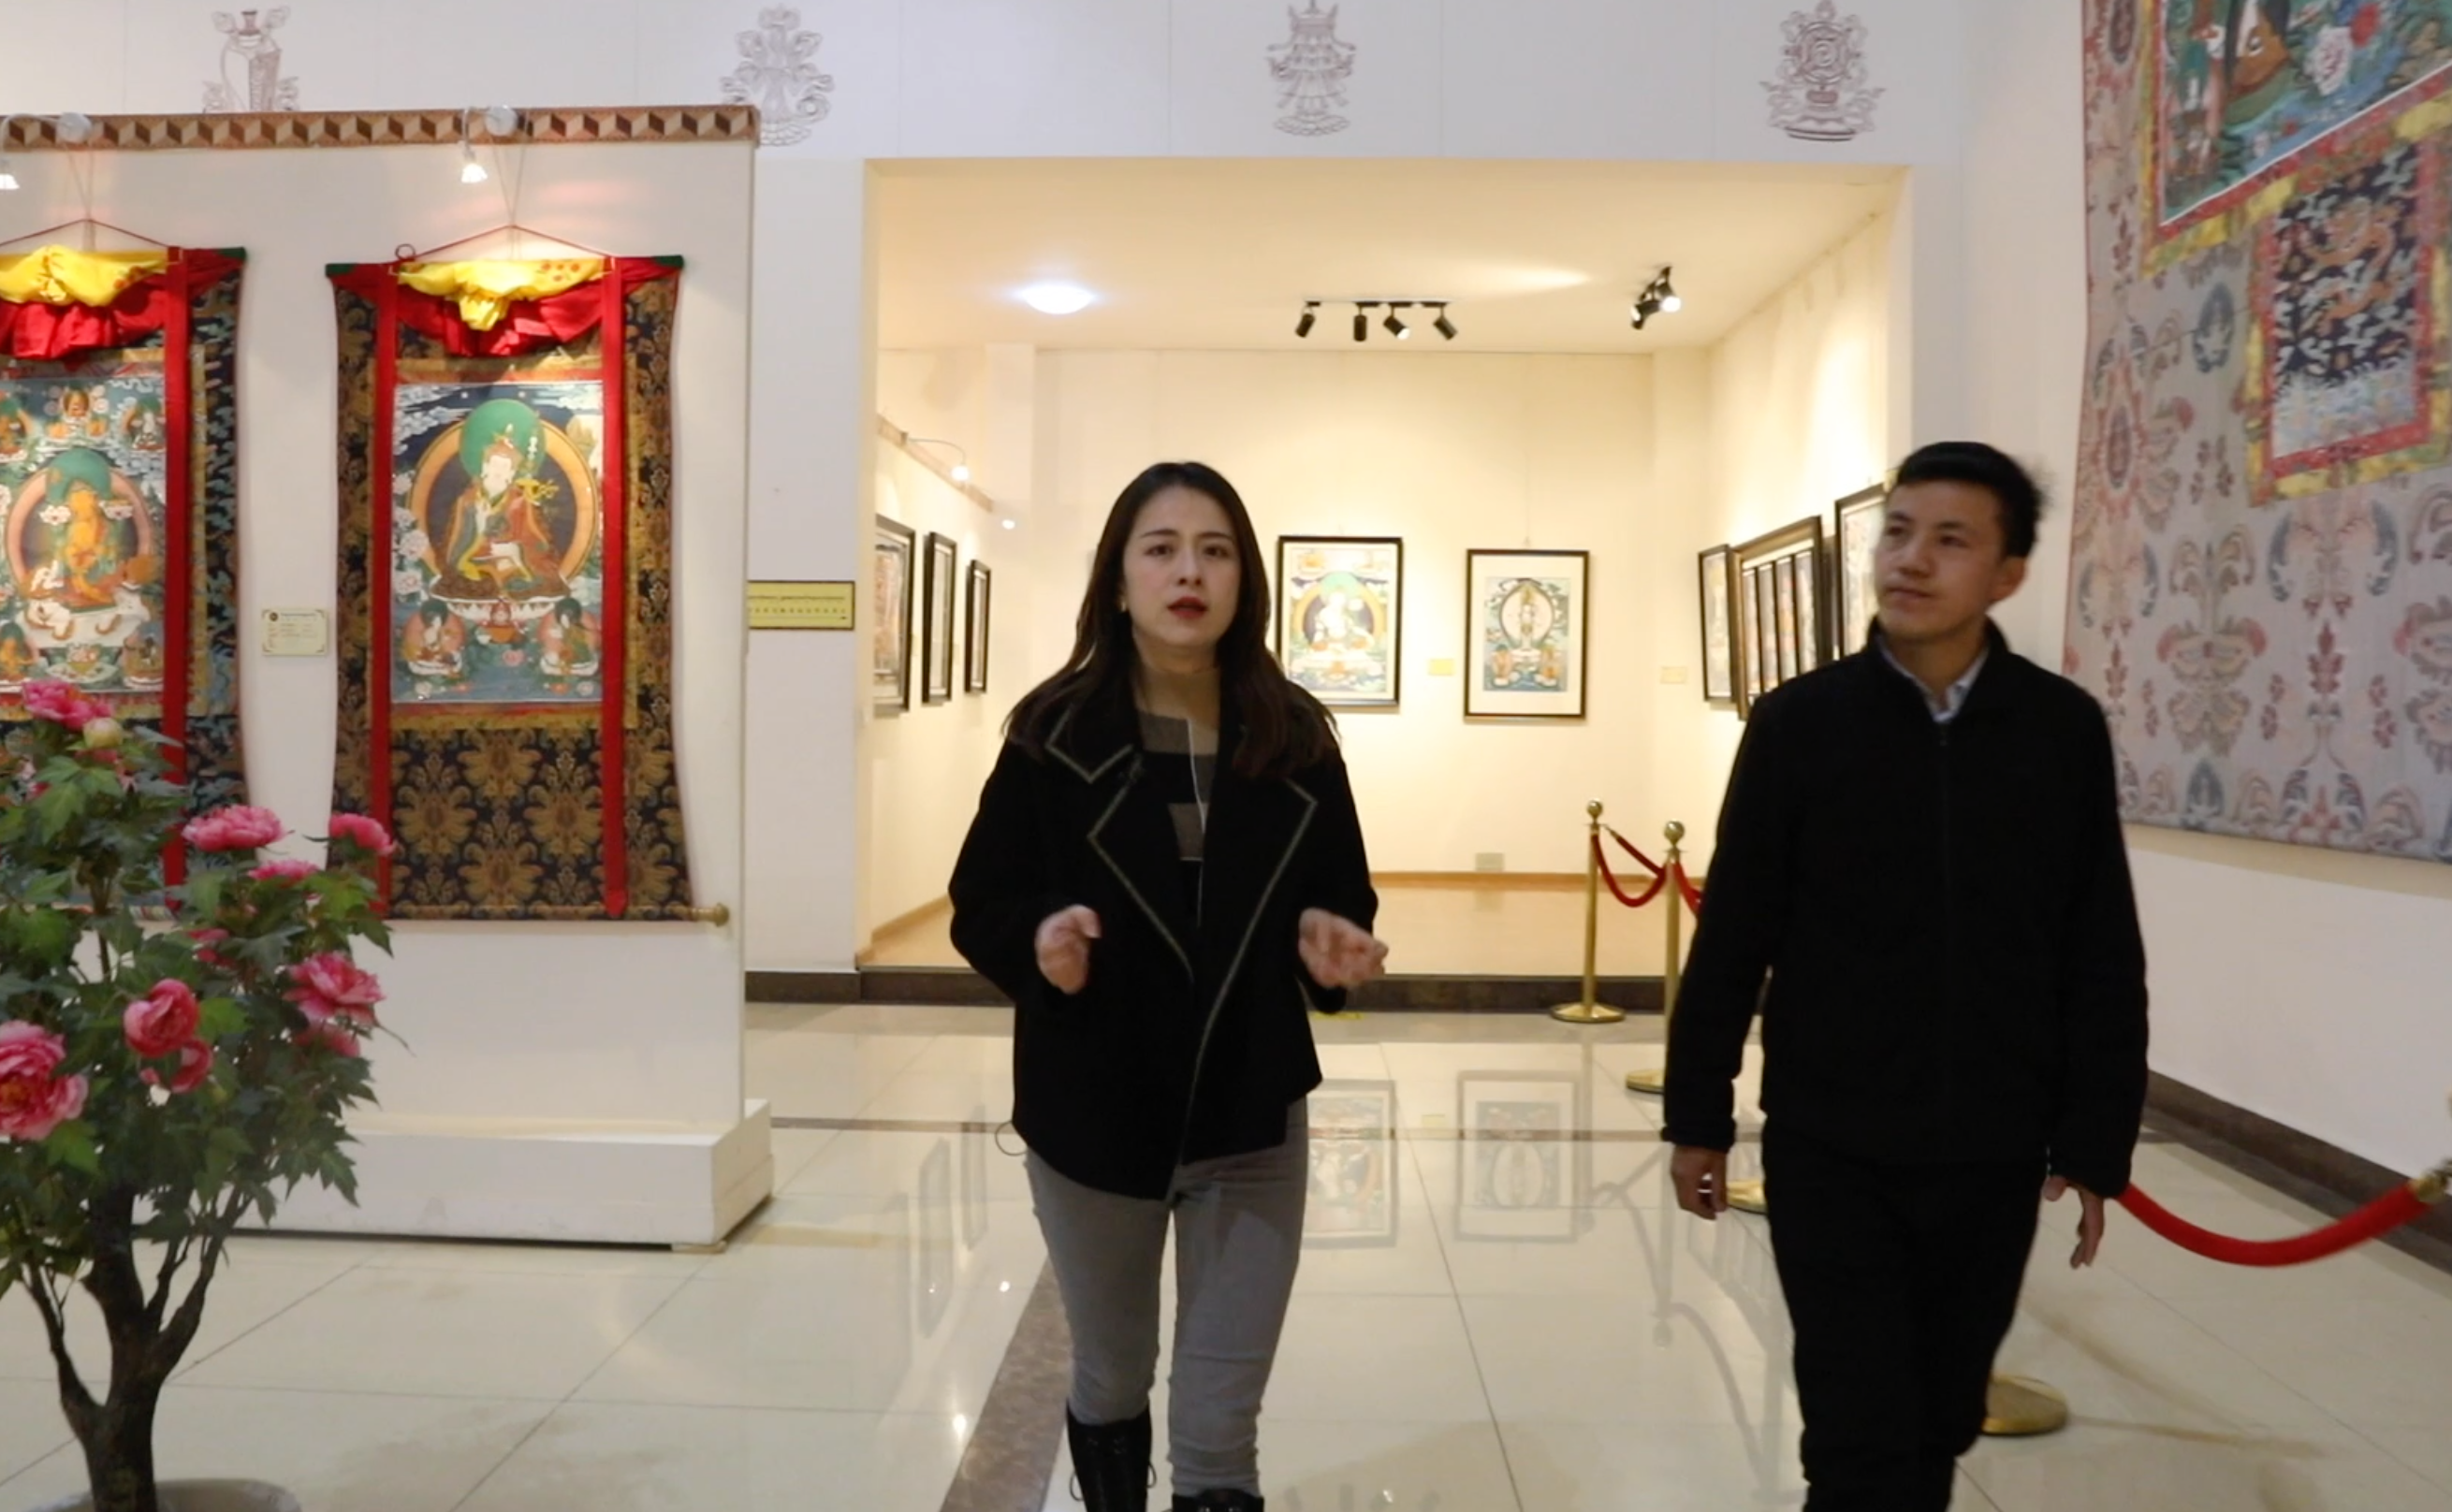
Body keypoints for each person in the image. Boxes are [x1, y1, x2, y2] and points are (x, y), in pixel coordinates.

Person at [1665, 441, 2150, 1512]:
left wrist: (2093, 1138)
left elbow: (2098, 944)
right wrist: (1696, 1112)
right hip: (1829, 1138)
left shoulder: (2058, 729)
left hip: (1991, 1142)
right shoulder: (1800, 722)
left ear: (2007, 573)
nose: (1910, 559)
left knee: (1939, 1415)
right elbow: (1734, 929)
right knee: (1854, 1427)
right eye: (1897, 532)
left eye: (1950, 539)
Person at [950, 460, 1387, 1512]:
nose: (1189, 571)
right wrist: (1040, 940)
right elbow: (981, 899)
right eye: (1161, 549)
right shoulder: (1053, 735)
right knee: (1110, 1373)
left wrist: (1327, 940)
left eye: (1215, 550)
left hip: (1251, 1109)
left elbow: (1340, 894)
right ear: (1118, 579)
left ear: (1245, 580)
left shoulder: (1295, 735)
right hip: (1095, 1110)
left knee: (1220, 1423)